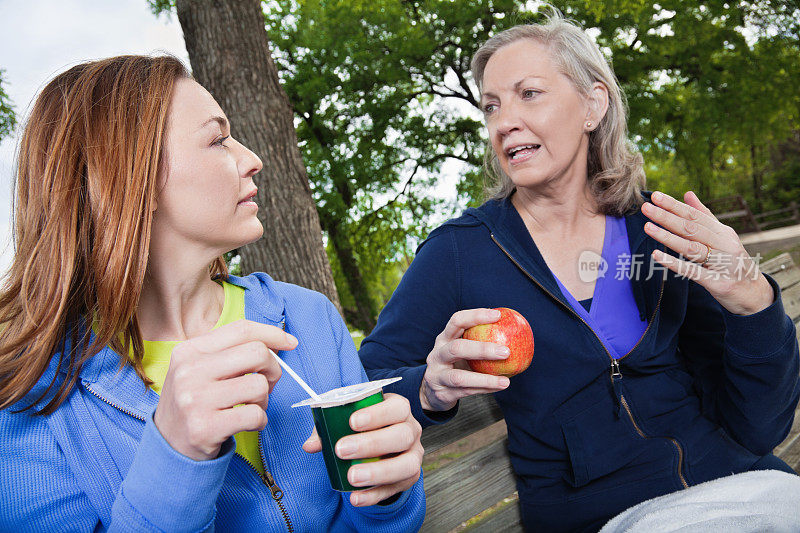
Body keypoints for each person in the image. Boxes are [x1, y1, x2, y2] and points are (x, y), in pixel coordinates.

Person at [359, 12, 800, 532]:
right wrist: (428, 388)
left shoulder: (660, 229)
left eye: (529, 94)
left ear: (593, 104)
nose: (503, 122)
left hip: (739, 486)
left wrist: (754, 303)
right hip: (604, 517)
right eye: (492, 106)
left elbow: (760, 427)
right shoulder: (461, 251)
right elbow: (367, 380)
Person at [0, 55, 425, 532]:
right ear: (128, 177)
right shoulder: (32, 392)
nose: (252, 159)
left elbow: (377, 523)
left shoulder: (309, 317)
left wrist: (388, 494)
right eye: (219, 139)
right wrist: (176, 457)